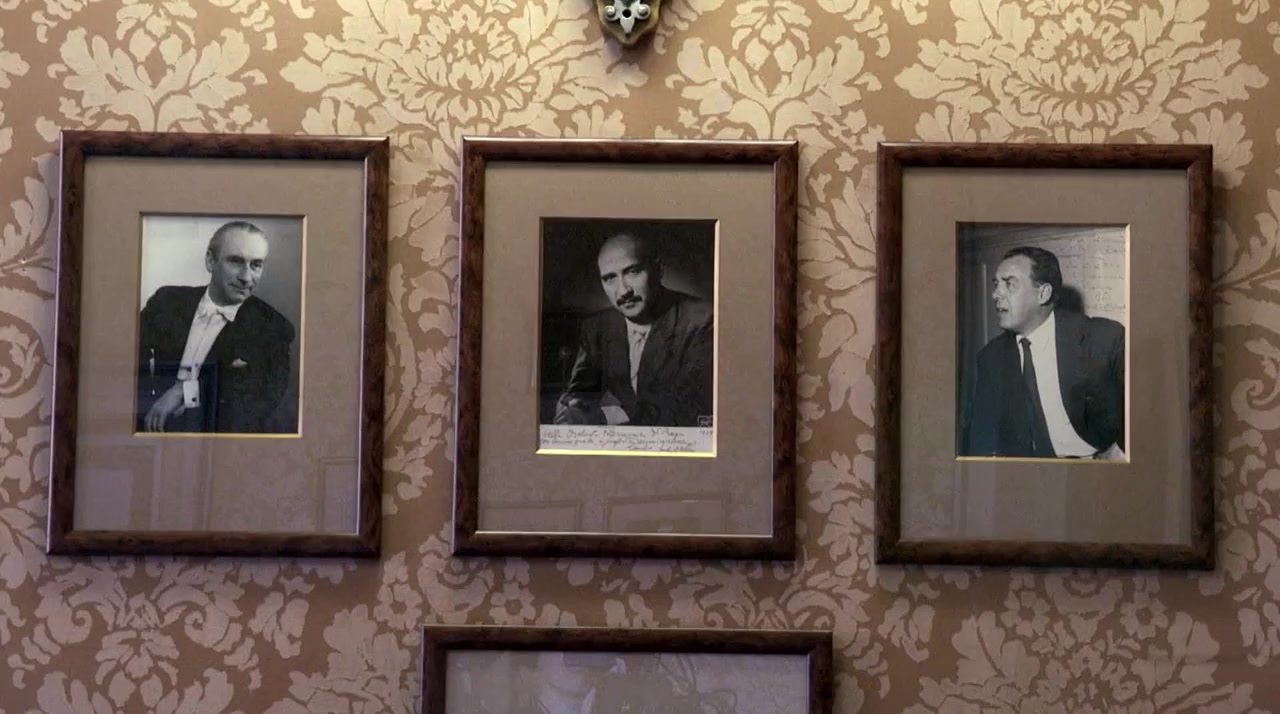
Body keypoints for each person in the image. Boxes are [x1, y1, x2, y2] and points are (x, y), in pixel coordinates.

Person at [959, 246, 1125, 459]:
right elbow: (982, 439)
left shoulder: (1102, 339)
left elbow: (1144, 414)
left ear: (1043, 293)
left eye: (1009, 284)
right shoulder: (990, 357)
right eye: (996, 284)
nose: (995, 294)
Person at [135, 220, 296, 434]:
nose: (246, 277)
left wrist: (185, 391)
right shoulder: (167, 301)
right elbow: (125, 360)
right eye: (236, 261)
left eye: (256, 265)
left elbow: (255, 403)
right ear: (211, 261)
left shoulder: (274, 328)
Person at [553, 232, 713, 428]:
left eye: (633, 271)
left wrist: (605, 416)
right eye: (609, 278)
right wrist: (573, 408)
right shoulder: (598, 327)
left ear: (658, 270)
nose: (623, 291)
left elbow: (686, 407)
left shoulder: (703, 320)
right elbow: (581, 392)